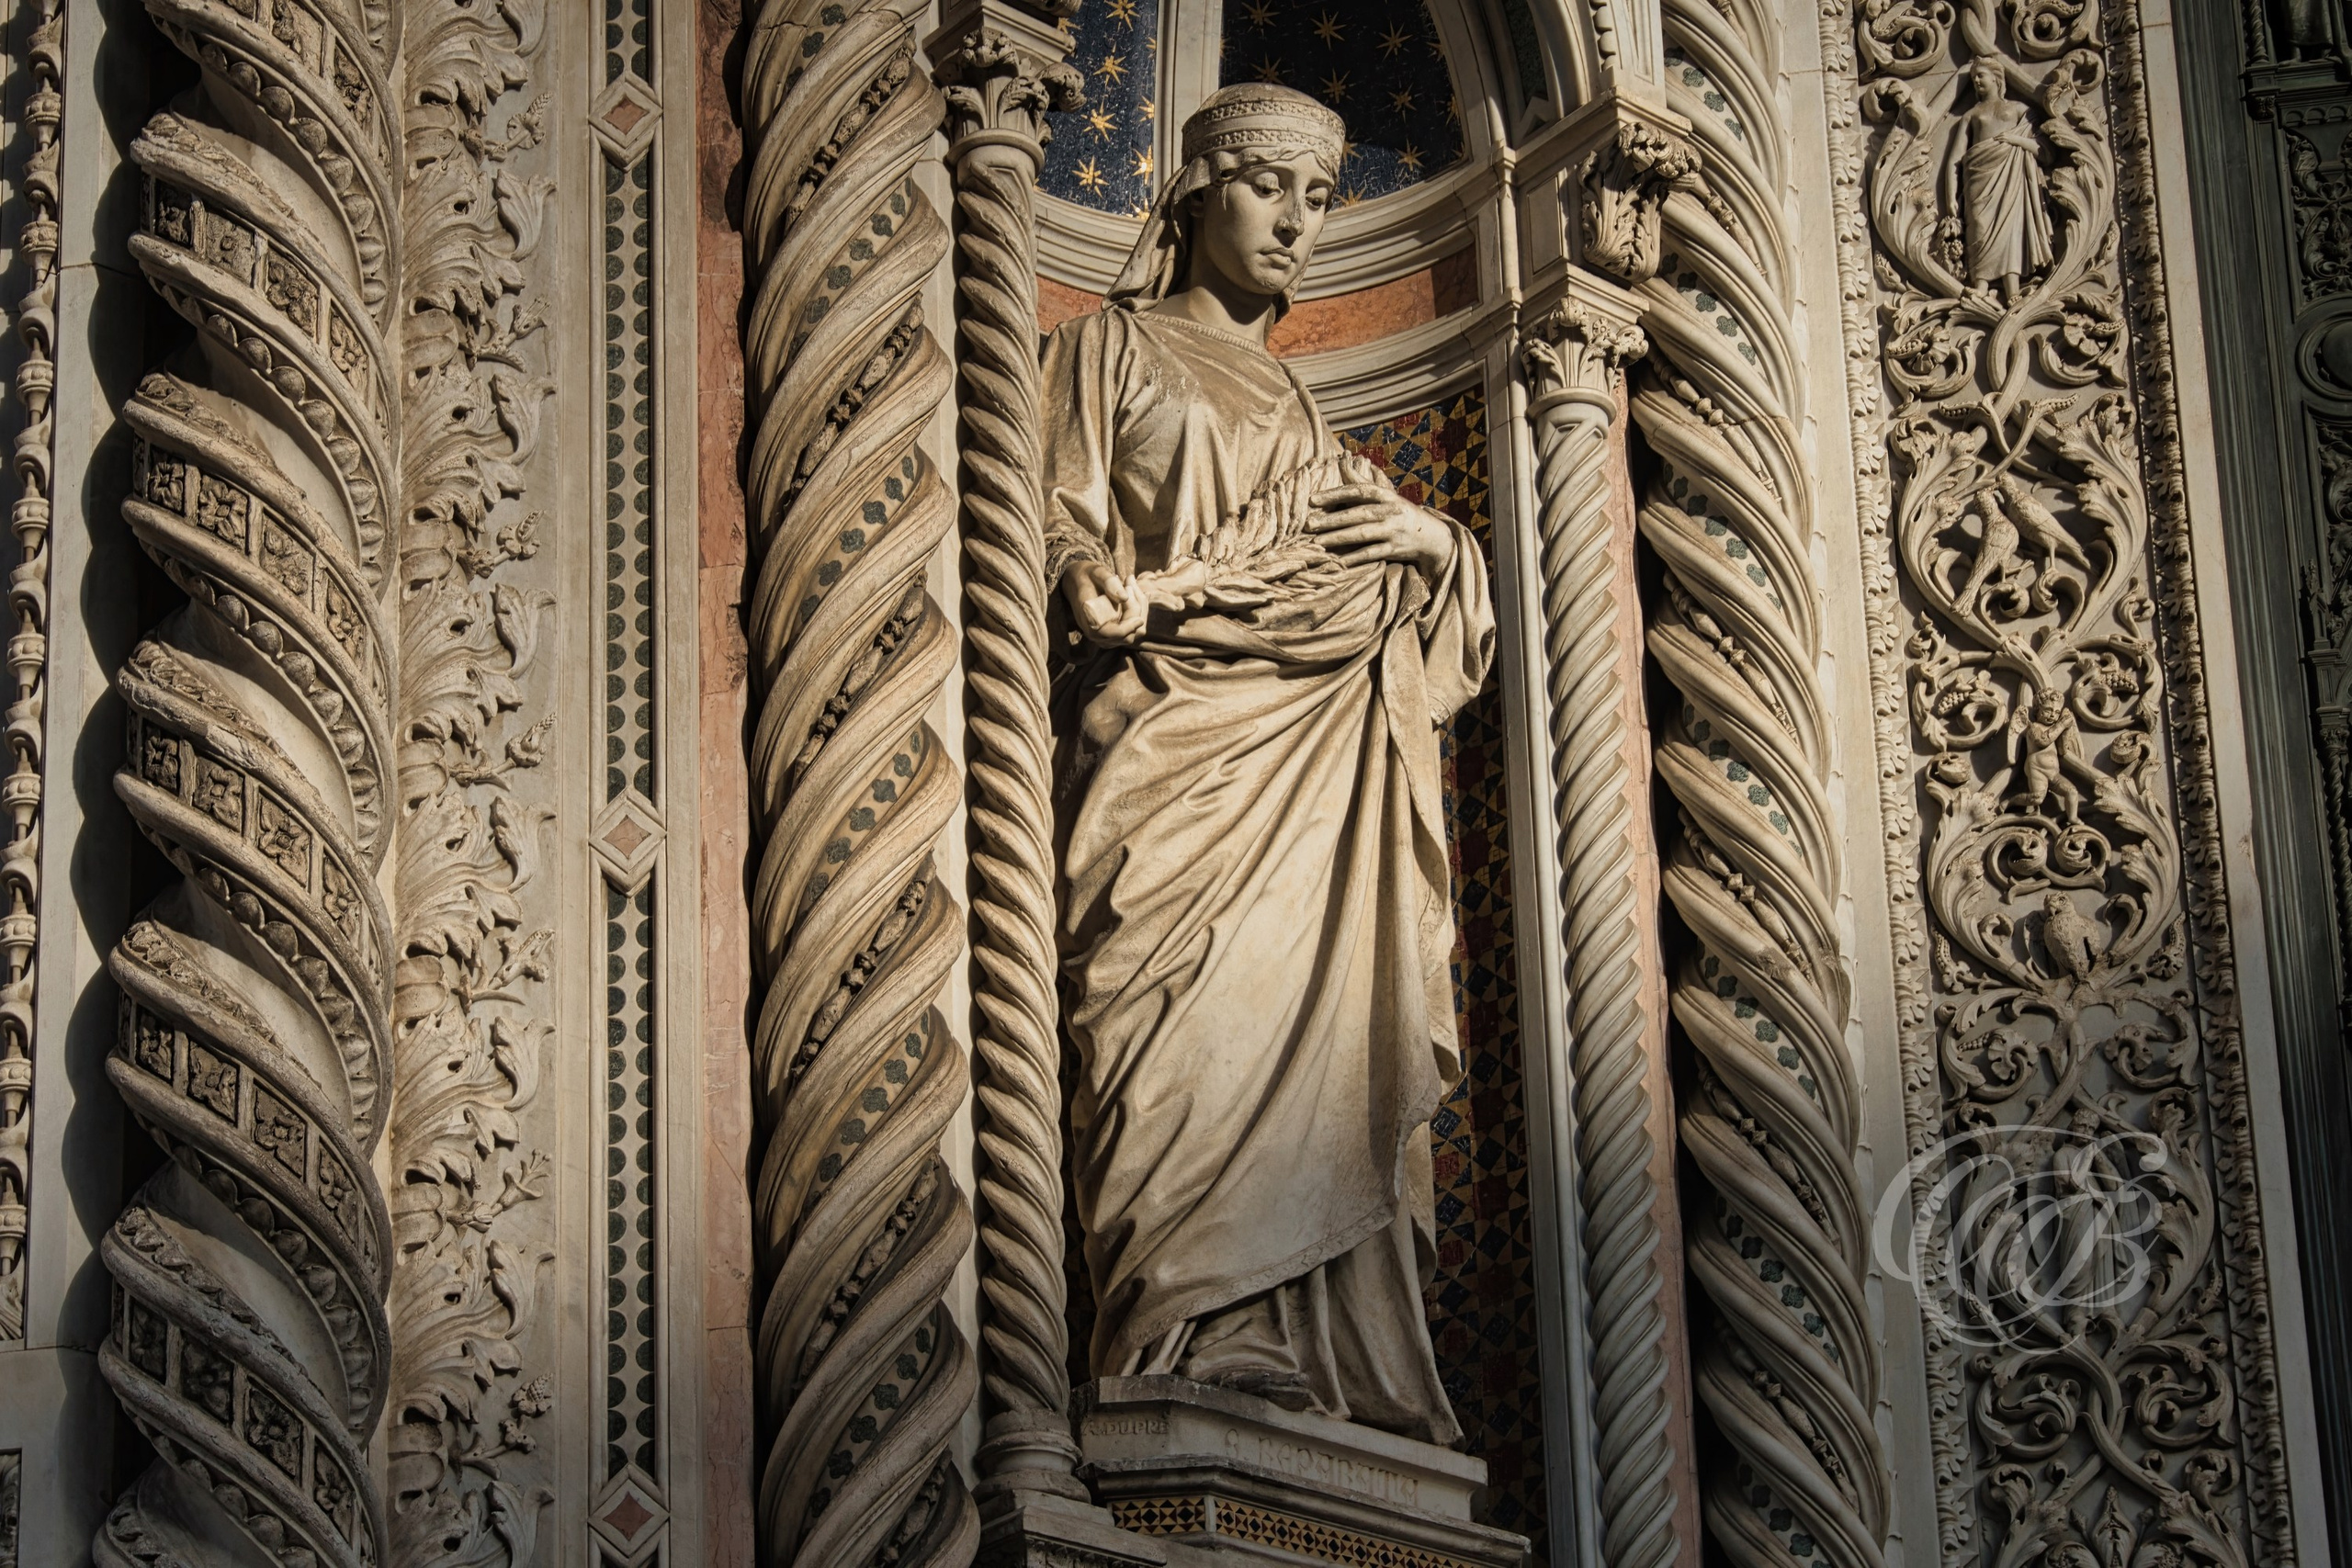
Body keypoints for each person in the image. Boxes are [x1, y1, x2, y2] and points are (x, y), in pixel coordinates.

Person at [1041, 84, 1494, 1447]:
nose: (1297, 222)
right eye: (1267, 187)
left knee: (1314, 1045)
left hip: (1313, 771)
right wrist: (1080, 575)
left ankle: (1320, 1354)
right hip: (1170, 755)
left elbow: (1389, 585)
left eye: (1321, 200)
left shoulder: (1305, 407)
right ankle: (1183, 1329)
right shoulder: (1106, 349)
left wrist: (1435, 544)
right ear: (1196, 196)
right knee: (1178, 1039)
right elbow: (1048, 516)